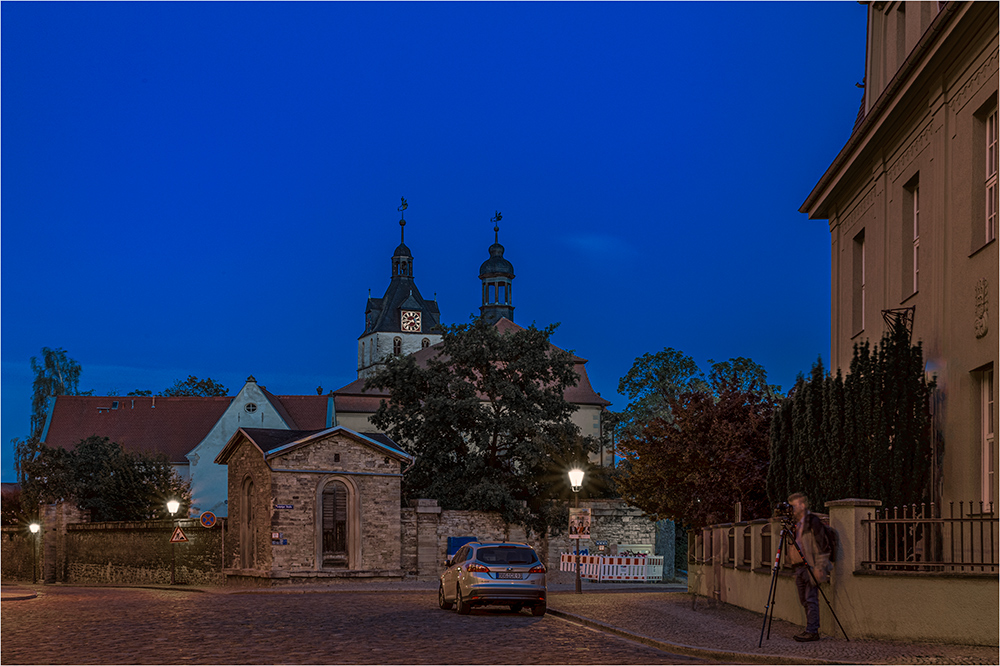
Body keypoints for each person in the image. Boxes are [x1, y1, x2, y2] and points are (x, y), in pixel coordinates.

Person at [785, 492, 832, 642]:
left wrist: (820, 567)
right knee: (804, 600)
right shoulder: (797, 524)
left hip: (810, 566)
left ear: (803, 505)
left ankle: (812, 631)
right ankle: (809, 628)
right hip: (799, 567)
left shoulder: (813, 522)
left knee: (811, 599)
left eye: (794, 505)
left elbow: (822, 545)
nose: (792, 509)